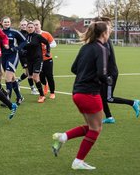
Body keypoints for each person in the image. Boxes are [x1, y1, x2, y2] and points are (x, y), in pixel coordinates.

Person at [51, 21, 111, 170]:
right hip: (89, 93)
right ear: (104, 33)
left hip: (77, 92)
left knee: (92, 126)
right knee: (96, 128)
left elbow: (74, 68)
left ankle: (63, 137)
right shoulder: (102, 48)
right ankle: (78, 161)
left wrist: (86, 74)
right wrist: (108, 80)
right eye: (109, 30)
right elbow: (101, 74)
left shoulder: (85, 47)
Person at [93, 16, 140, 123]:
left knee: (109, 98)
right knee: (101, 95)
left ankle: (133, 103)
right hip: (104, 73)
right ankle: (109, 117)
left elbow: (105, 56)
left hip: (110, 74)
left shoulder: (105, 41)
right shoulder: (102, 40)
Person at [22, 21, 51, 103]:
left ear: (34, 28)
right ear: (26, 28)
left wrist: (48, 52)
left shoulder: (38, 36)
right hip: (29, 60)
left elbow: (47, 43)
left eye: (32, 27)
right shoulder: (25, 37)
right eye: (29, 27)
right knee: (30, 77)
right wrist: (23, 51)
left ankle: (42, 95)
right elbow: (22, 47)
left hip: (38, 59)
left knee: (35, 77)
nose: (30, 28)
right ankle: (41, 91)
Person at [1, 16, 26, 104]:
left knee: (7, 77)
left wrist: (17, 48)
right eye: (5, 22)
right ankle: (19, 97)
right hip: (3, 56)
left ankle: (7, 100)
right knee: (12, 78)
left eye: (8, 22)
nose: (7, 23)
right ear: (2, 23)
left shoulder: (14, 32)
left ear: (10, 23)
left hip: (13, 56)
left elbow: (24, 41)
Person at [33, 20, 57, 99]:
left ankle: (52, 92)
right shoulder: (32, 35)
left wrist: (47, 46)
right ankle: (45, 84)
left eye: (37, 24)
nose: (36, 26)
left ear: (40, 25)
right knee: (41, 77)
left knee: (49, 75)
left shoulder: (46, 34)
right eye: (34, 25)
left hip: (47, 58)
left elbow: (54, 44)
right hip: (37, 60)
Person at [16, 19, 40, 95]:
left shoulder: (30, 33)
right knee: (29, 73)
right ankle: (33, 89)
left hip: (31, 55)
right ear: (20, 26)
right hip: (23, 55)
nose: (24, 26)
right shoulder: (18, 33)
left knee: (28, 73)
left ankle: (18, 81)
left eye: (25, 25)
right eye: (22, 25)